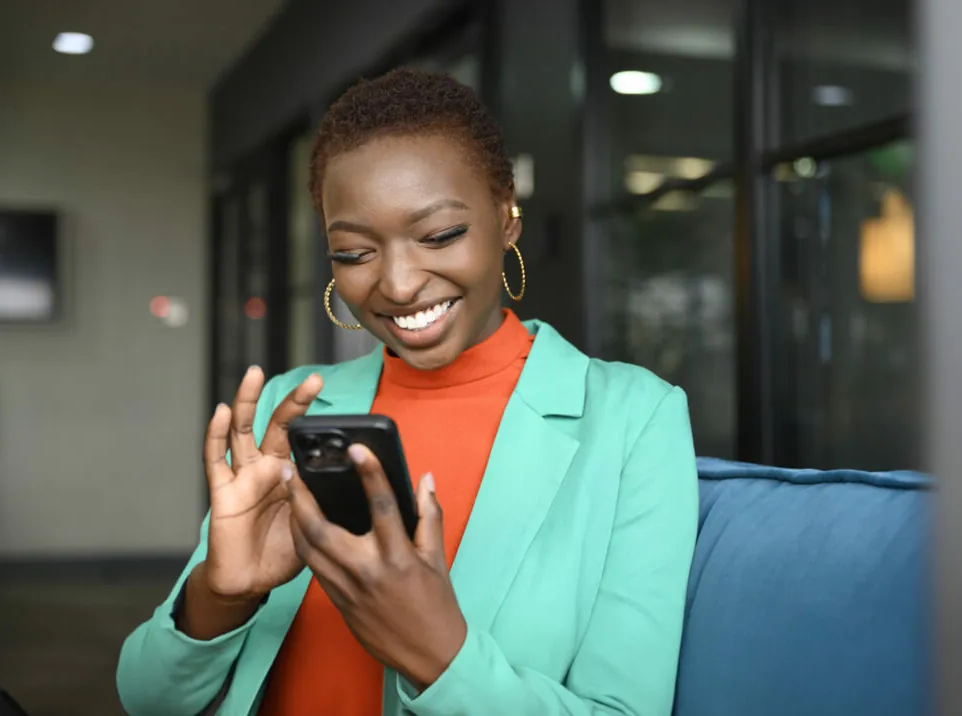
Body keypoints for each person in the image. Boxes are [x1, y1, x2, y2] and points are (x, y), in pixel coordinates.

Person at [116, 67, 698, 716]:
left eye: (440, 235)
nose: (396, 284)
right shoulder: (298, 408)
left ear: (508, 217)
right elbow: (146, 700)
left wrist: (440, 654)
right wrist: (221, 596)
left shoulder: (633, 419)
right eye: (355, 253)